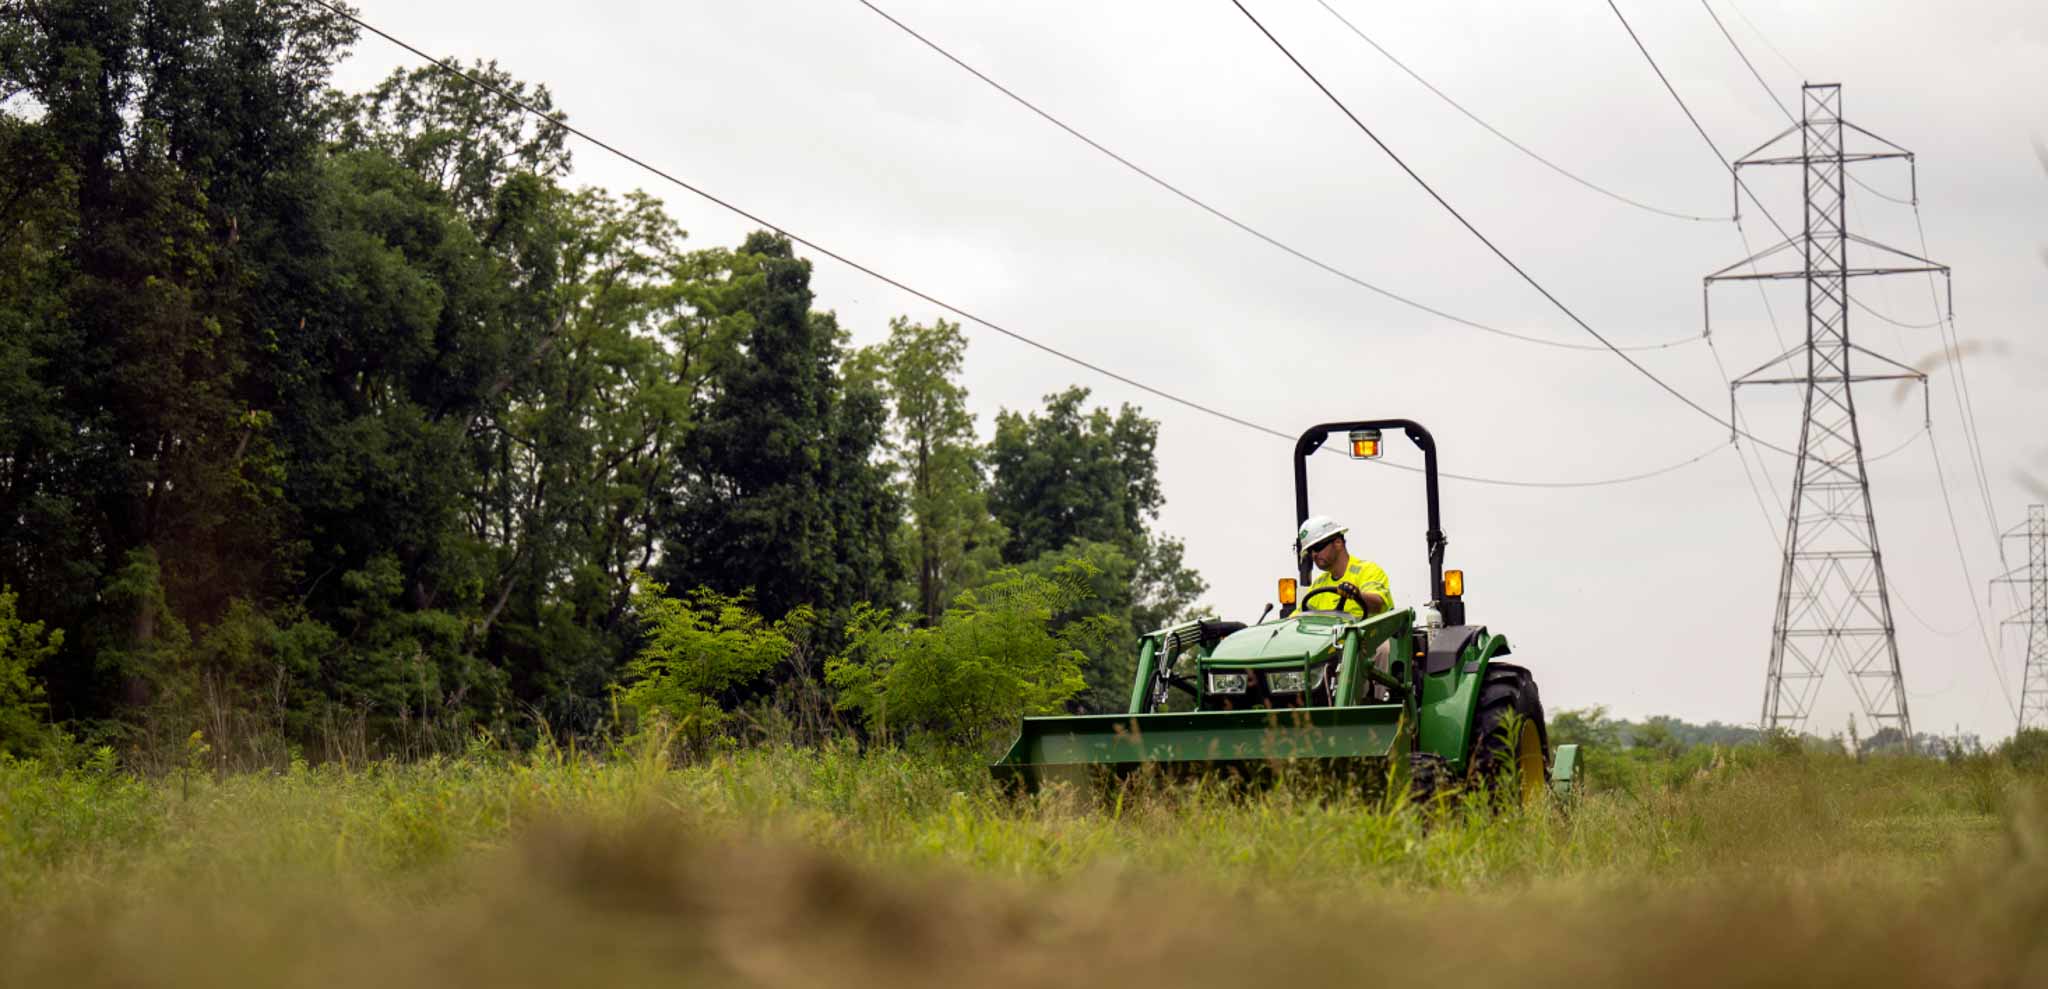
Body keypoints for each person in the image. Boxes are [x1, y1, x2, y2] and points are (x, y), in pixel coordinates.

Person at [1294, 515, 1393, 618]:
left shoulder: (1368, 571)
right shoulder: (1318, 584)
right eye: (1310, 551)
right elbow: (1297, 617)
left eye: (1317, 547)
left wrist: (1357, 595)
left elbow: (1378, 605)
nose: (1314, 554)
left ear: (1338, 543)